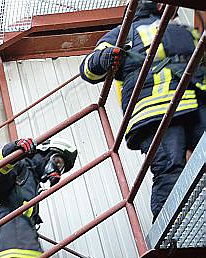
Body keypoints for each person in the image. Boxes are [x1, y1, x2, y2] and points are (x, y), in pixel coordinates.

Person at [79, 0, 206, 219]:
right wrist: (105, 57)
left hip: (194, 100)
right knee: (170, 167)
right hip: (156, 109)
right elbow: (88, 69)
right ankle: (171, 229)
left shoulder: (183, 30)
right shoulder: (124, 32)